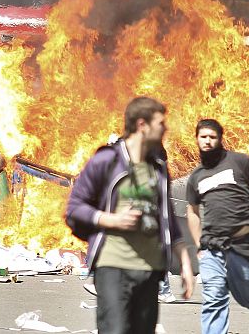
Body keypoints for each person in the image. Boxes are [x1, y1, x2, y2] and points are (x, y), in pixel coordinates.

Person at [65, 97, 193, 334]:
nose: (165, 129)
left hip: (149, 270)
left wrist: (184, 261)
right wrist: (109, 219)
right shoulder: (107, 160)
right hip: (113, 266)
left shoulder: (158, 168)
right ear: (142, 125)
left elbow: (167, 219)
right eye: (161, 123)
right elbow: (74, 208)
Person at [185, 119, 249, 334]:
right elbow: (193, 211)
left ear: (220, 139)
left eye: (212, 137)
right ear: (197, 139)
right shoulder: (196, 176)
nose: (207, 141)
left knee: (245, 291)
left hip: (241, 244)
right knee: (214, 297)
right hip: (212, 247)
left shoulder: (239, 162)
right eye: (203, 137)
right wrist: (199, 245)